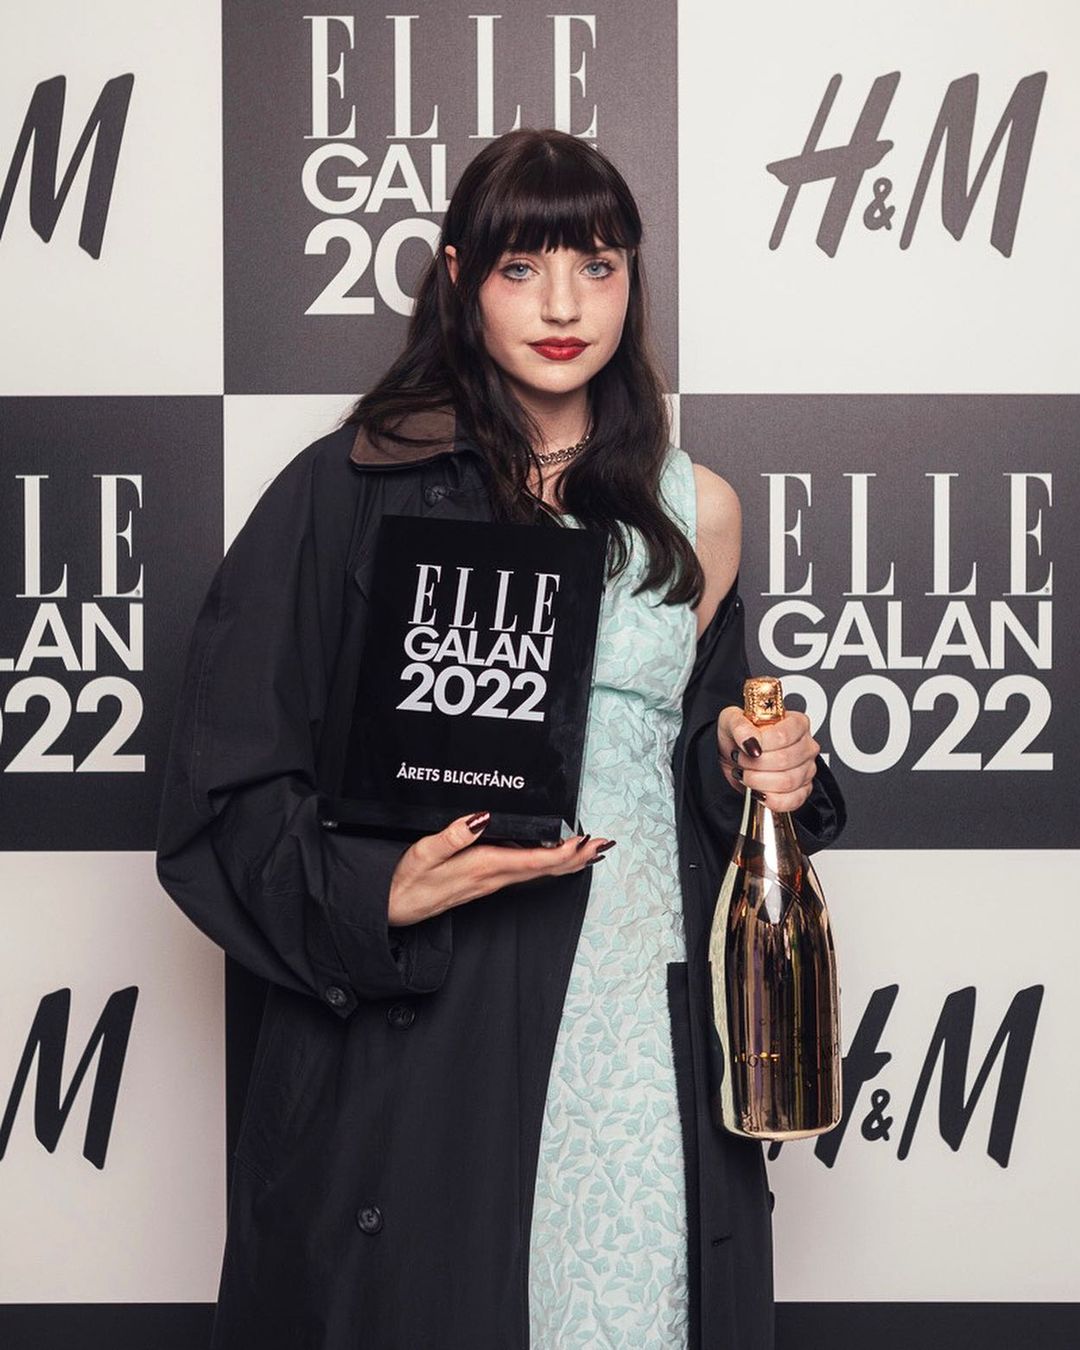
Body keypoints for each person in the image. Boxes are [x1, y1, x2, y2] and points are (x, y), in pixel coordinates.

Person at [156, 128, 844, 1350]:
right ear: (460, 278)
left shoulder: (699, 508)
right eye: (523, 268)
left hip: (640, 1014)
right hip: (436, 1013)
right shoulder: (347, 488)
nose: (564, 306)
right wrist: (376, 891)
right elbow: (224, 783)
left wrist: (757, 765)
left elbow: (699, 744)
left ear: (633, 281)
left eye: (597, 265)